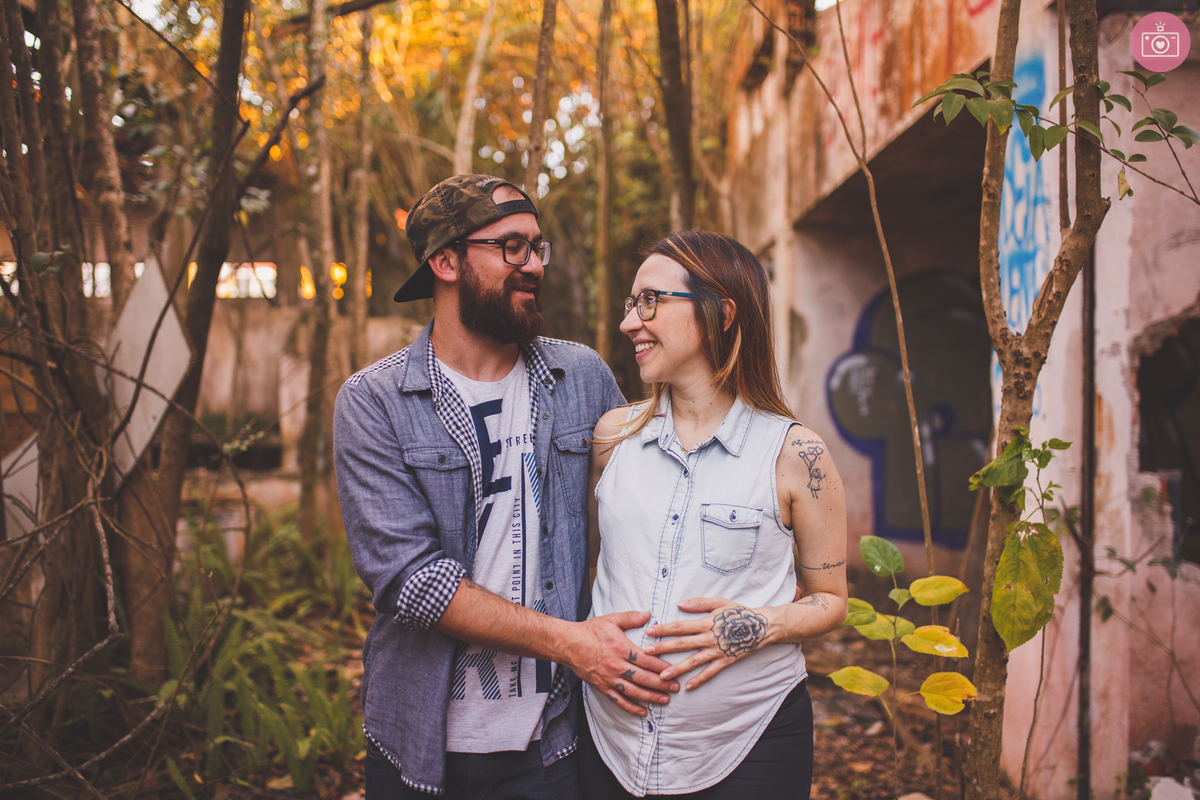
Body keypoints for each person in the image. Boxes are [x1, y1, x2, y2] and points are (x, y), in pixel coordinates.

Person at [334, 174, 679, 800]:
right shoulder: (375, 402)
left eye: (538, 248)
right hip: (418, 742)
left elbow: (652, 501)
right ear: (446, 261)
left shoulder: (581, 376)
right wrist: (573, 643)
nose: (533, 266)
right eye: (511, 247)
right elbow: (412, 582)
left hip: (553, 740)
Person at [578, 230, 849, 799]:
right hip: (608, 743)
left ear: (721, 312)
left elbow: (831, 600)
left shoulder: (797, 455)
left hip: (749, 745)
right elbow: (589, 566)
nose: (630, 322)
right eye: (631, 304)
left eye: (650, 301)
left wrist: (754, 627)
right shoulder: (612, 437)